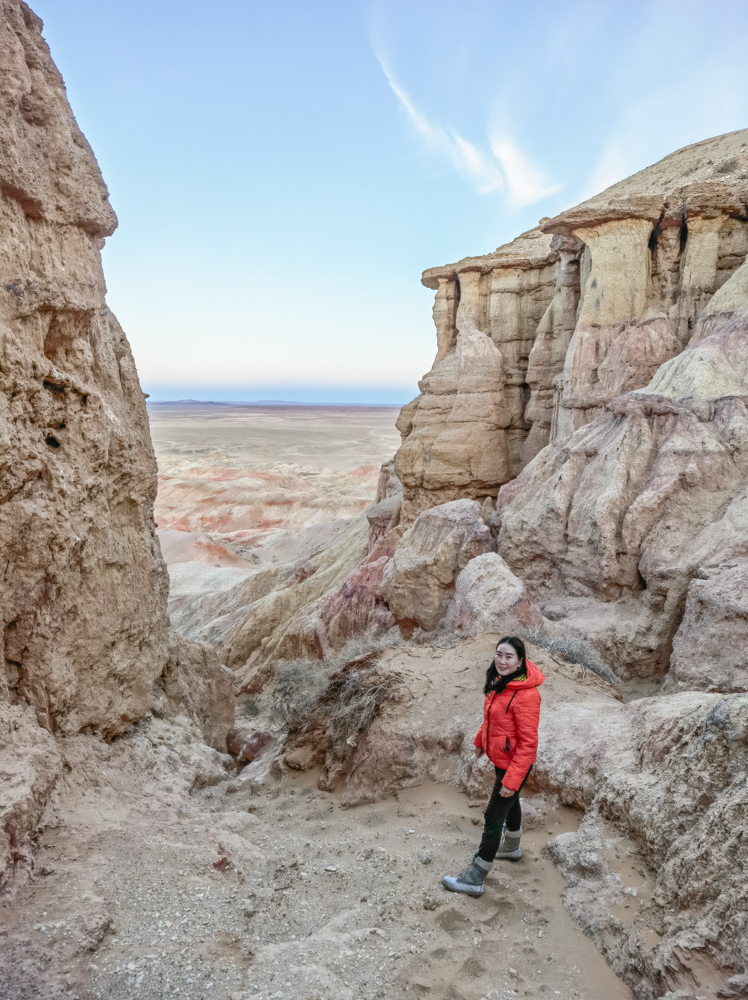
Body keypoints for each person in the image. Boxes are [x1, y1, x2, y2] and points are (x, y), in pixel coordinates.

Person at [443, 635, 544, 896]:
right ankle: (511, 848)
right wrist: (480, 741)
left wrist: (511, 780)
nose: (502, 660)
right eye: (499, 654)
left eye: (509, 656)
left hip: (516, 765)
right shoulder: (501, 682)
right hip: (504, 760)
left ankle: (475, 878)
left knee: (493, 815)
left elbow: (528, 744)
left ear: (520, 661)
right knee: (511, 803)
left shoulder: (526, 695)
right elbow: (492, 721)